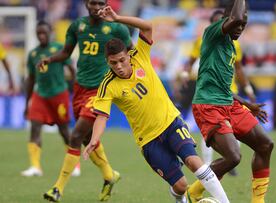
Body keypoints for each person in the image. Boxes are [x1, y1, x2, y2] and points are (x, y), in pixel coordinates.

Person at [82, 6, 230, 203]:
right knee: (180, 186)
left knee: (194, 162)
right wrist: (94, 139)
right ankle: (180, 198)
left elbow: (147, 26)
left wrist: (117, 18)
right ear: (107, 62)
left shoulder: (140, 55)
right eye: (113, 63)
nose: (118, 66)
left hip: (171, 122)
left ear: (128, 54)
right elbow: (101, 115)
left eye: (121, 60)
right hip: (148, 141)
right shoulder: (108, 85)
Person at [40, 0, 132, 201]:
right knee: (85, 137)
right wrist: (50, 59)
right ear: (86, 3)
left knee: (75, 135)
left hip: (100, 90)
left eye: (101, 3)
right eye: (93, 3)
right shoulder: (77, 26)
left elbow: (131, 53)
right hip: (79, 88)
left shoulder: (117, 28)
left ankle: (57, 189)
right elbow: (66, 52)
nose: (97, 6)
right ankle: (110, 175)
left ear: (106, 4)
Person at [187, 1, 274, 203]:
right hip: (208, 106)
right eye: (237, 23)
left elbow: (223, 88)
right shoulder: (212, 33)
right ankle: (194, 191)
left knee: (265, 145)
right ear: (227, 20)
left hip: (228, 104)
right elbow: (235, 17)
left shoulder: (232, 48)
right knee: (233, 157)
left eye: (244, 25)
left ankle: (258, 201)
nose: (240, 28)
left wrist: (248, 104)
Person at [182, 9, 256, 177]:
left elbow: (239, 69)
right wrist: (185, 75)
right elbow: (190, 61)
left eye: (221, 21)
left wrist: (248, 89)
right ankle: (209, 164)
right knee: (211, 131)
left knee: (238, 132)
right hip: (210, 94)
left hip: (231, 93)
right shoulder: (203, 40)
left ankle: (228, 161)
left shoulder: (235, 43)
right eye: (215, 21)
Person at [21, 20, 79, 177]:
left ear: (50, 32)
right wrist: (27, 103)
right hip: (40, 95)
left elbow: (71, 69)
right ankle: (35, 166)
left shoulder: (59, 49)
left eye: (44, 32)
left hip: (59, 94)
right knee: (34, 128)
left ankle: (75, 164)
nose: (41, 36)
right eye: (38, 33)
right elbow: (31, 79)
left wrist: (75, 91)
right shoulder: (33, 54)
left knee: (64, 130)